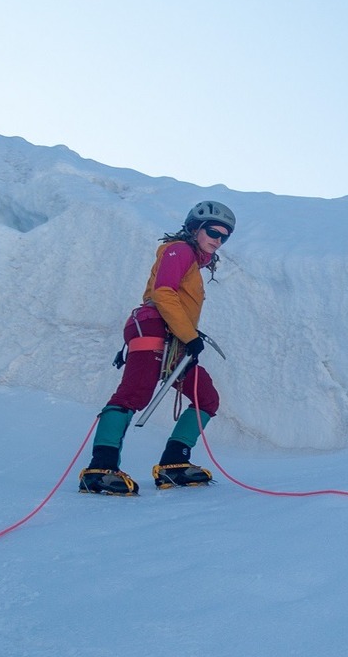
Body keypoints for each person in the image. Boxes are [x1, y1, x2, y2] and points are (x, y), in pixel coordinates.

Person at [78, 201, 235, 495]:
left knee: (205, 397)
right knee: (134, 392)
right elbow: (163, 293)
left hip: (174, 337)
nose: (218, 239)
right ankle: (100, 467)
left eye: (224, 236)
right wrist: (190, 337)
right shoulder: (179, 249)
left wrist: (187, 336)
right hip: (154, 328)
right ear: (194, 228)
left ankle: (174, 463)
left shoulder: (191, 260)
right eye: (213, 231)